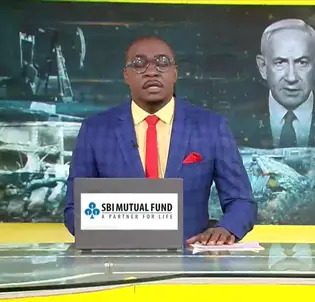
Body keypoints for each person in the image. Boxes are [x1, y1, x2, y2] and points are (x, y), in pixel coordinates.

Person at [63, 36, 256, 245]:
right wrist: (113, 239)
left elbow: (241, 201)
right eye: (139, 64)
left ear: (175, 73)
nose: (151, 71)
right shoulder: (95, 130)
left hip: (189, 257)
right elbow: (74, 208)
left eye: (162, 63)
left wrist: (225, 229)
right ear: (126, 75)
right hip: (118, 257)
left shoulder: (211, 127)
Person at [237, 19, 315, 149]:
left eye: (302, 62)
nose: (291, 77)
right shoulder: (234, 124)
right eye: (280, 63)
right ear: (263, 67)